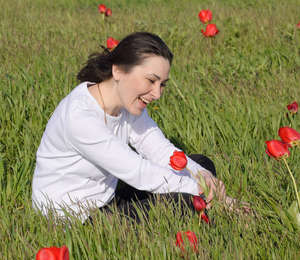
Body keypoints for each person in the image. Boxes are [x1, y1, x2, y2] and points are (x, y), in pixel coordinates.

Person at [32, 32, 235, 224]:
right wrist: (205, 193)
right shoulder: (80, 118)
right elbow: (138, 171)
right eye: (151, 80)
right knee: (183, 202)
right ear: (118, 70)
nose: (157, 94)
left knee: (201, 163)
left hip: (109, 200)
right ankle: (213, 211)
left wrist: (202, 175)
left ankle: (205, 202)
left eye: (162, 84)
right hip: (75, 219)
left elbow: (161, 151)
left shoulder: (128, 104)